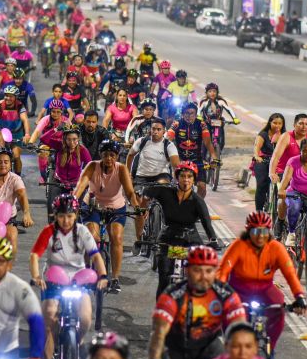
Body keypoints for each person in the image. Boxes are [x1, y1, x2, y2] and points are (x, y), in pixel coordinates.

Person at [148, 245, 246, 359]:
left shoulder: (225, 294)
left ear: (216, 270)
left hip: (209, 349)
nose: (203, 276)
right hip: (175, 351)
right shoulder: (172, 294)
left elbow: (239, 329)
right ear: (186, 270)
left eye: (209, 271)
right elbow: (159, 333)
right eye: (197, 270)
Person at [29, 194, 108, 359]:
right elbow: (34, 256)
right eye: (62, 216)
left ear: (76, 215)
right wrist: (37, 276)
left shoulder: (82, 231)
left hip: (78, 280)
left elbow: (95, 256)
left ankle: (76, 344)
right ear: (56, 216)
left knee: (86, 318)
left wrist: (103, 276)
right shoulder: (48, 232)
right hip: (53, 281)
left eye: (70, 216)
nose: (66, 220)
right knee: (49, 323)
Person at [218, 212, 307, 355]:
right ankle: (230, 347)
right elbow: (223, 271)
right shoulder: (238, 246)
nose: (260, 236)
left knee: (279, 309)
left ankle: (270, 350)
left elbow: (290, 274)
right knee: (230, 314)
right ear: (248, 232)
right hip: (239, 290)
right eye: (255, 231)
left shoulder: (276, 248)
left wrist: (299, 296)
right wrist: (220, 291)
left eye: (264, 231)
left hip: (265, 288)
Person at [73, 140, 141, 294]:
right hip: (92, 206)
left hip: (116, 207)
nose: (109, 158)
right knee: (91, 238)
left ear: (117, 156)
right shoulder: (92, 166)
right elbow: (80, 186)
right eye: (105, 155)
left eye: (112, 155)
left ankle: (115, 278)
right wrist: (72, 201)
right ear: (100, 155)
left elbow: (129, 192)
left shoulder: (121, 169)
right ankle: (87, 269)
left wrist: (136, 206)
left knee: (116, 238)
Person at [145, 162, 217, 297]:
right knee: (164, 279)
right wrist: (143, 197)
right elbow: (147, 192)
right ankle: (161, 311)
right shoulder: (165, 192)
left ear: (194, 180)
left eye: (190, 176)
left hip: (191, 240)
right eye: (182, 176)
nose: (186, 180)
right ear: (177, 178)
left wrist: (213, 239)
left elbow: (207, 224)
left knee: (198, 279)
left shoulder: (198, 201)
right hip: (168, 238)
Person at [127, 118, 180, 237]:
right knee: (140, 208)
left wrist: (177, 182)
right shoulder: (142, 141)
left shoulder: (169, 145)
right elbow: (130, 155)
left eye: (159, 129)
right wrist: (129, 173)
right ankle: (139, 237)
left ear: (164, 131)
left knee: (163, 188)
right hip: (142, 177)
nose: (155, 132)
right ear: (150, 130)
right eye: (153, 129)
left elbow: (176, 165)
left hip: (160, 175)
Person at [166, 103, 218, 198]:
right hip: (180, 160)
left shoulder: (201, 125)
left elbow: (208, 143)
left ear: (196, 114)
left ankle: (197, 206)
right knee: (176, 187)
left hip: (197, 160)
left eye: (192, 113)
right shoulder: (177, 124)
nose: (189, 116)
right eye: (186, 113)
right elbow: (167, 139)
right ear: (182, 114)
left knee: (202, 187)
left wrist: (214, 157)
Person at [40, 126, 91, 219]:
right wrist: (56, 129)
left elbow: (91, 166)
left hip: (76, 184)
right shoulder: (59, 146)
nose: (72, 142)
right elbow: (43, 138)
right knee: (52, 208)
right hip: (58, 182)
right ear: (64, 139)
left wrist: (87, 182)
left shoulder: (83, 150)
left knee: (79, 211)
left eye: (74, 139)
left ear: (78, 139)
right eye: (69, 139)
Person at [269, 113, 307, 184]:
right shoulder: (286, 137)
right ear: (294, 125)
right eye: (301, 123)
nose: (304, 127)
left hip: (304, 175)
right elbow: (276, 156)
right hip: (284, 173)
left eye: (306, 124)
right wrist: (272, 173)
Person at [0, 86, 30, 175]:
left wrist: (27, 134)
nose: (8, 98)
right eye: (6, 95)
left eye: (11, 96)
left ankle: (18, 177)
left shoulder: (20, 105)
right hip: (2, 134)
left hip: (16, 134)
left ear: (15, 97)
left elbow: (25, 120)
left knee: (16, 156)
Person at [253, 113, 285, 212]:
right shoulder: (263, 134)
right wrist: (257, 156)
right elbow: (256, 148)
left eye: (280, 123)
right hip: (264, 161)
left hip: (279, 163)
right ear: (270, 123)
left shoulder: (285, 135)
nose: (277, 126)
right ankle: (259, 211)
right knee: (262, 185)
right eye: (275, 123)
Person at [198, 83, 240, 150]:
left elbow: (229, 110)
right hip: (207, 123)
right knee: (204, 139)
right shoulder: (204, 102)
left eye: (214, 91)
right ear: (206, 93)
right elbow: (198, 110)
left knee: (221, 141)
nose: (212, 93)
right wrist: (199, 117)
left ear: (217, 92)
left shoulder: (221, 102)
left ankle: (219, 150)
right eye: (210, 91)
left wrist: (234, 118)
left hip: (218, 123)